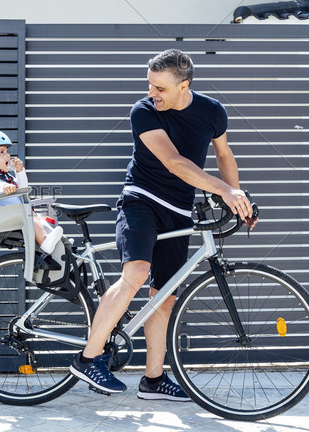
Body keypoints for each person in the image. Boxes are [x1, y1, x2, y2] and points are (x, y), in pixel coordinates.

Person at [69, 49, 258, 399]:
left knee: (165, 296)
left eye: (160, 88)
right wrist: (222, 189)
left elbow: (223, 154)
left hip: (179, 209)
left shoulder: (212, 111)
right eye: (149, 84)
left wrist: (237, 197)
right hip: (140, 199)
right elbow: (173, 162)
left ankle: (153, 380)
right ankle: (87, 358)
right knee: (137, 272)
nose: (151, 93)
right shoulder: (142, 111)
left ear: (184, 86)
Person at [0, 129, 64, 255]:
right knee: (31, 219)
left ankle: (59, 244)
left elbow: (23, 188)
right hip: (8, 216)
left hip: (17, 212)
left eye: (7, 152)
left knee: (41, 219)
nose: (8, 155)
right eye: (2, 152)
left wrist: (20, 172)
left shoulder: (4, 176)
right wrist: (3, 187)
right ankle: (45, 242)